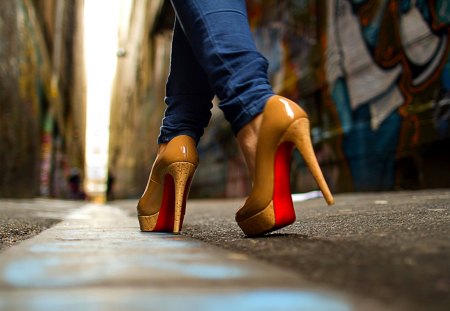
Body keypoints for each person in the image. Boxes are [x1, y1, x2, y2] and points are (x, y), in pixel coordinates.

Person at [137, 0, 334, 236]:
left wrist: (249, 99)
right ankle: (178, 133)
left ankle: (253, 109)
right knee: (192, 11)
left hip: (250, 101)